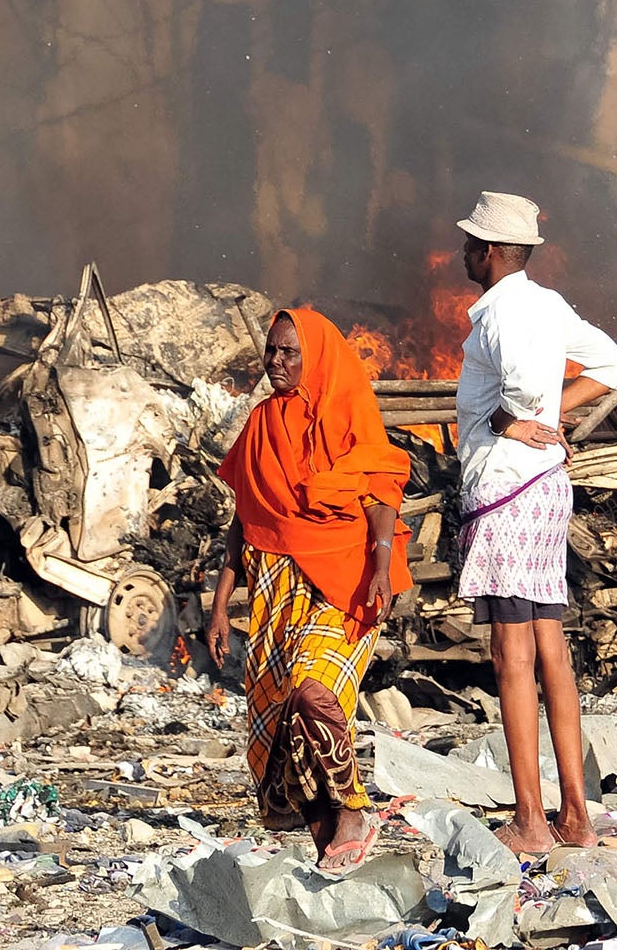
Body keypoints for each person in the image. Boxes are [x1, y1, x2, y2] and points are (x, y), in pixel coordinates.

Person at [452, 190, 617, 856]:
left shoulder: (503, 315)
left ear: (495, 252)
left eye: (472, 244)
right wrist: (556, 418)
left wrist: (515, 420)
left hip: (507, 488)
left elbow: (518, 395)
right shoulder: (550, 304)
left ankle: (531, 821)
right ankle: (576, 816)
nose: (463, 253)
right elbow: (614, 366)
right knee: (550, 648)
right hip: (543, 487)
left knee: (511, 655)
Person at [206, 307, 412, 870]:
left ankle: (352, 811)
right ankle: (329, 837)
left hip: (341, 583)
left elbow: (380, 492)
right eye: (271, 351)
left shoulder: (348, 410)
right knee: (278, 719)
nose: (275, 362)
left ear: (315, 355)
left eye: (288, 352)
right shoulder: (260, 424)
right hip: (273, 589)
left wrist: (382, 566)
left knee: (312, 691)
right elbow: (242, 520)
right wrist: (221, 606)